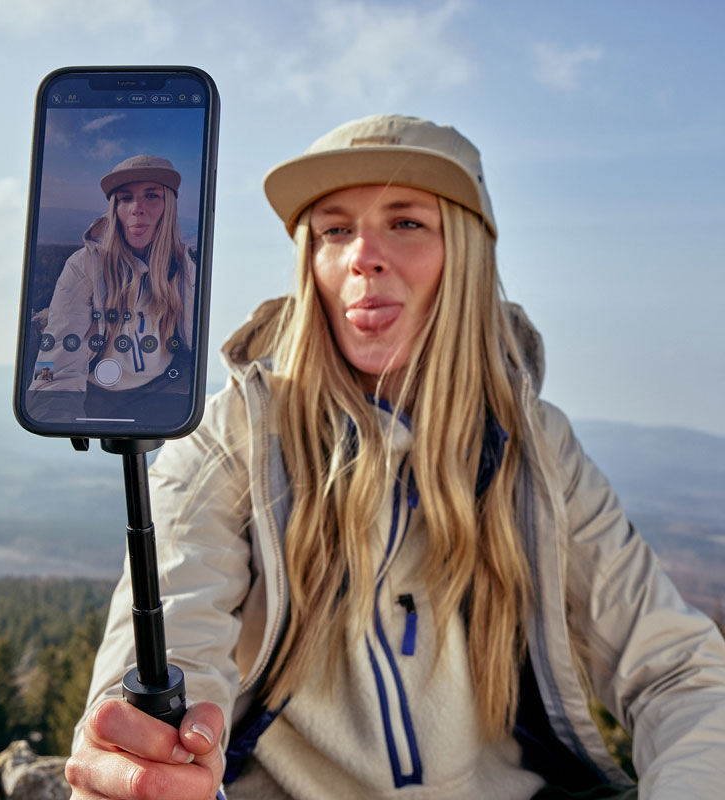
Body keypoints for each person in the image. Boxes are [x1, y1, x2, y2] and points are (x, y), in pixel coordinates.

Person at [65, 116, 725, 799]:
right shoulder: (233, 436)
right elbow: (171, 642)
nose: (362, 256)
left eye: (405, 223)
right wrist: (148, 752)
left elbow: (678, 672)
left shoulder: (536, 448)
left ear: (466, 257)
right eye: (334, 230)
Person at [26, 154, 195, 423]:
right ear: (114, 209)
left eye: (151, 196)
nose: (137, 208)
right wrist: (57, 417)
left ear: (169, 205)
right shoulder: (85, 266)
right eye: (126, 198)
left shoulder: (186, 268)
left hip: (167, 389)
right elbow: (62, 347)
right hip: (97, 392)